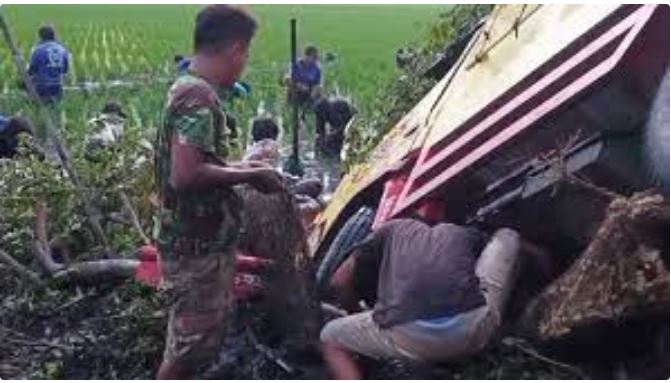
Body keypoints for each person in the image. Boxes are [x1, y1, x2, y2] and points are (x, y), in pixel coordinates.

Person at [154, 5, 284, 379]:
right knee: (189, 348)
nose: (244, 63)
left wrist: (247, 168)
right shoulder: (199, 97)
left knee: (190, 338)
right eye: (246, 54)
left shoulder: (186, 85)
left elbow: (199, 162)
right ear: (235, 51)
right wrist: (246, 178)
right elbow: (187, 174)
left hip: (193, 242)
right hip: (196, 248)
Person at [320, 219, 522, 379]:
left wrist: (356, 311)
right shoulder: (459, 231)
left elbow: (338, 281)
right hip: (473, 330)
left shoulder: (389, 229)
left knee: (330, 337)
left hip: (408, 339)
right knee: (507, 236)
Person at [27, 25, 70, 104]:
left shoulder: (37, 50)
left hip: (42, 86)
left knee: (23, 82)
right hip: (57, 85)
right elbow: (65, 70)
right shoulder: (62, 49)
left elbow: (31, 70)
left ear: (41, 37)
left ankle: (34, 105)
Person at [285, 45, 322, 110]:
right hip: (296, 91)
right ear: (307, 56)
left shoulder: (317, 68)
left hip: (309, 92)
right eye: (314, 58)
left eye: (316, 58)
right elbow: (287, 79)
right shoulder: (295, 64)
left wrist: (311, 98)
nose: (315, 60)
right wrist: (299, 86)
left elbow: (317, 85)